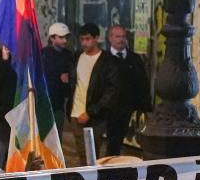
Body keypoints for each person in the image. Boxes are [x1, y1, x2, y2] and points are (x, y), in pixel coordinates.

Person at [92, 24, 151, 158]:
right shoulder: (103, 59)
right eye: (118, 36)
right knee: (106, 141)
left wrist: (145, 107)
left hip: (126, 108)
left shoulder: (134, 59)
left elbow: (142, 84)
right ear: (110, 38)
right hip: (106, 108)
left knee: (117, 139)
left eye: (123, 36)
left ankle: (113, 166)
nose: (121, 39)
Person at [65, 23, 109, 166]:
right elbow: (74, 83)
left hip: (95, 116)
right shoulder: (77, 57)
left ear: (96, 38)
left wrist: (90, 112)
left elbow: (109, 92)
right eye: (82, 39)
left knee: (93, 153)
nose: (84, 42)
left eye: (88, 39)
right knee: (82, 154)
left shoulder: (106, 61)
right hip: (75, 113)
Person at [41, 22, 75, 131]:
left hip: (59, 105)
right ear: (52, 38)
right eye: (61, 37)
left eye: (66, 37)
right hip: (43, 104)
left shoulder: (68, 55)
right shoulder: (43, 55)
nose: (64, 40)